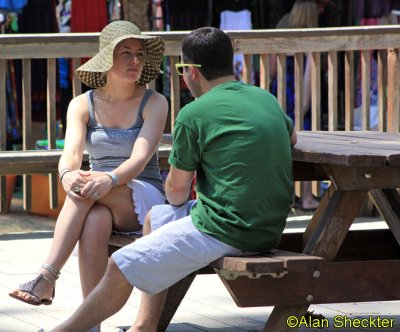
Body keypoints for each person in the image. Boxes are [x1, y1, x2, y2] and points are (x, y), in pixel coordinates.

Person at [50, 26, 297, 332]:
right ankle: (146, 325)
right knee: (158, 216)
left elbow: (177, 192)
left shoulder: (194, 113)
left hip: (226, 229)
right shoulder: (266, 99)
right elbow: (293, 136)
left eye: (181, 68)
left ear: (191, 71)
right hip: (270, 227)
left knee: (122, 264)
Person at [9, 20, 168, 319]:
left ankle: (47, 277)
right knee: (94, 221)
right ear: (108, 57)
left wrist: (109, 178)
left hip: (142, 195)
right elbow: (70, 155)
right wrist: (67, 174)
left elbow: (140, 158)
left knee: (86, 189)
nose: (135, 60)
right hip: (97, 193)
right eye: (126, 53)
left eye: (140, 54)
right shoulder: (81, 104)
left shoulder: (155, 101)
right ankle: (91, 323)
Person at [270, 0, 330, 211]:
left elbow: (271, 70)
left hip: (281, 90)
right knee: (303, 143)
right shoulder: (310, 35)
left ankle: (283, 198)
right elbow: (308, 76)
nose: (323, 11)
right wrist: (305, 103)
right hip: (298, 91)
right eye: (321, 6)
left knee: (278, 143)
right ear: (311, 10)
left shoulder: (282, 27)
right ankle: (306, 197)